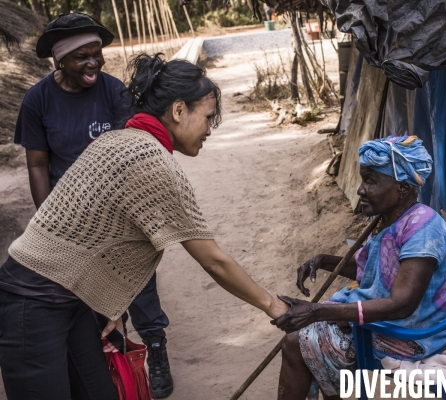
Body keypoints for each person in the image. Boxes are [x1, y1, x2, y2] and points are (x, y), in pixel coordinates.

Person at [0, 52, 289, 400]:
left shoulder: (119, 140)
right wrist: (276, 307)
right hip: (31, 303)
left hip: (72, 302)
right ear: (179, 111)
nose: (209, 131)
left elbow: (94, 235)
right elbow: (213, 259)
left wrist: (110, 306)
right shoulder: (151, 162)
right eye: (208, 117)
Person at [6, 13, 175, 397]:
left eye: (97, 53)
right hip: (71, 225)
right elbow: (37, 165)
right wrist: (51, 225)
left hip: (119, 218)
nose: (94, 63)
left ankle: (156, 347)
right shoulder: (38, 100)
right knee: (90, 302)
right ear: (59, 60)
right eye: (82, 56)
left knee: (138, 289)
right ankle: (112, 365)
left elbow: (134, 156)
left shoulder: (114, 93)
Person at [272, 136, 446, 400]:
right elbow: (369, 270)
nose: (360, 190)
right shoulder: (388, 221)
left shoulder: (423, 227)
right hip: (393, 322)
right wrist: (323, 260)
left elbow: (402, 304)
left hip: (412, 335)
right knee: (304, 338)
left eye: (370, 181)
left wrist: (317, 312)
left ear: (402, 189)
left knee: (296, 342)